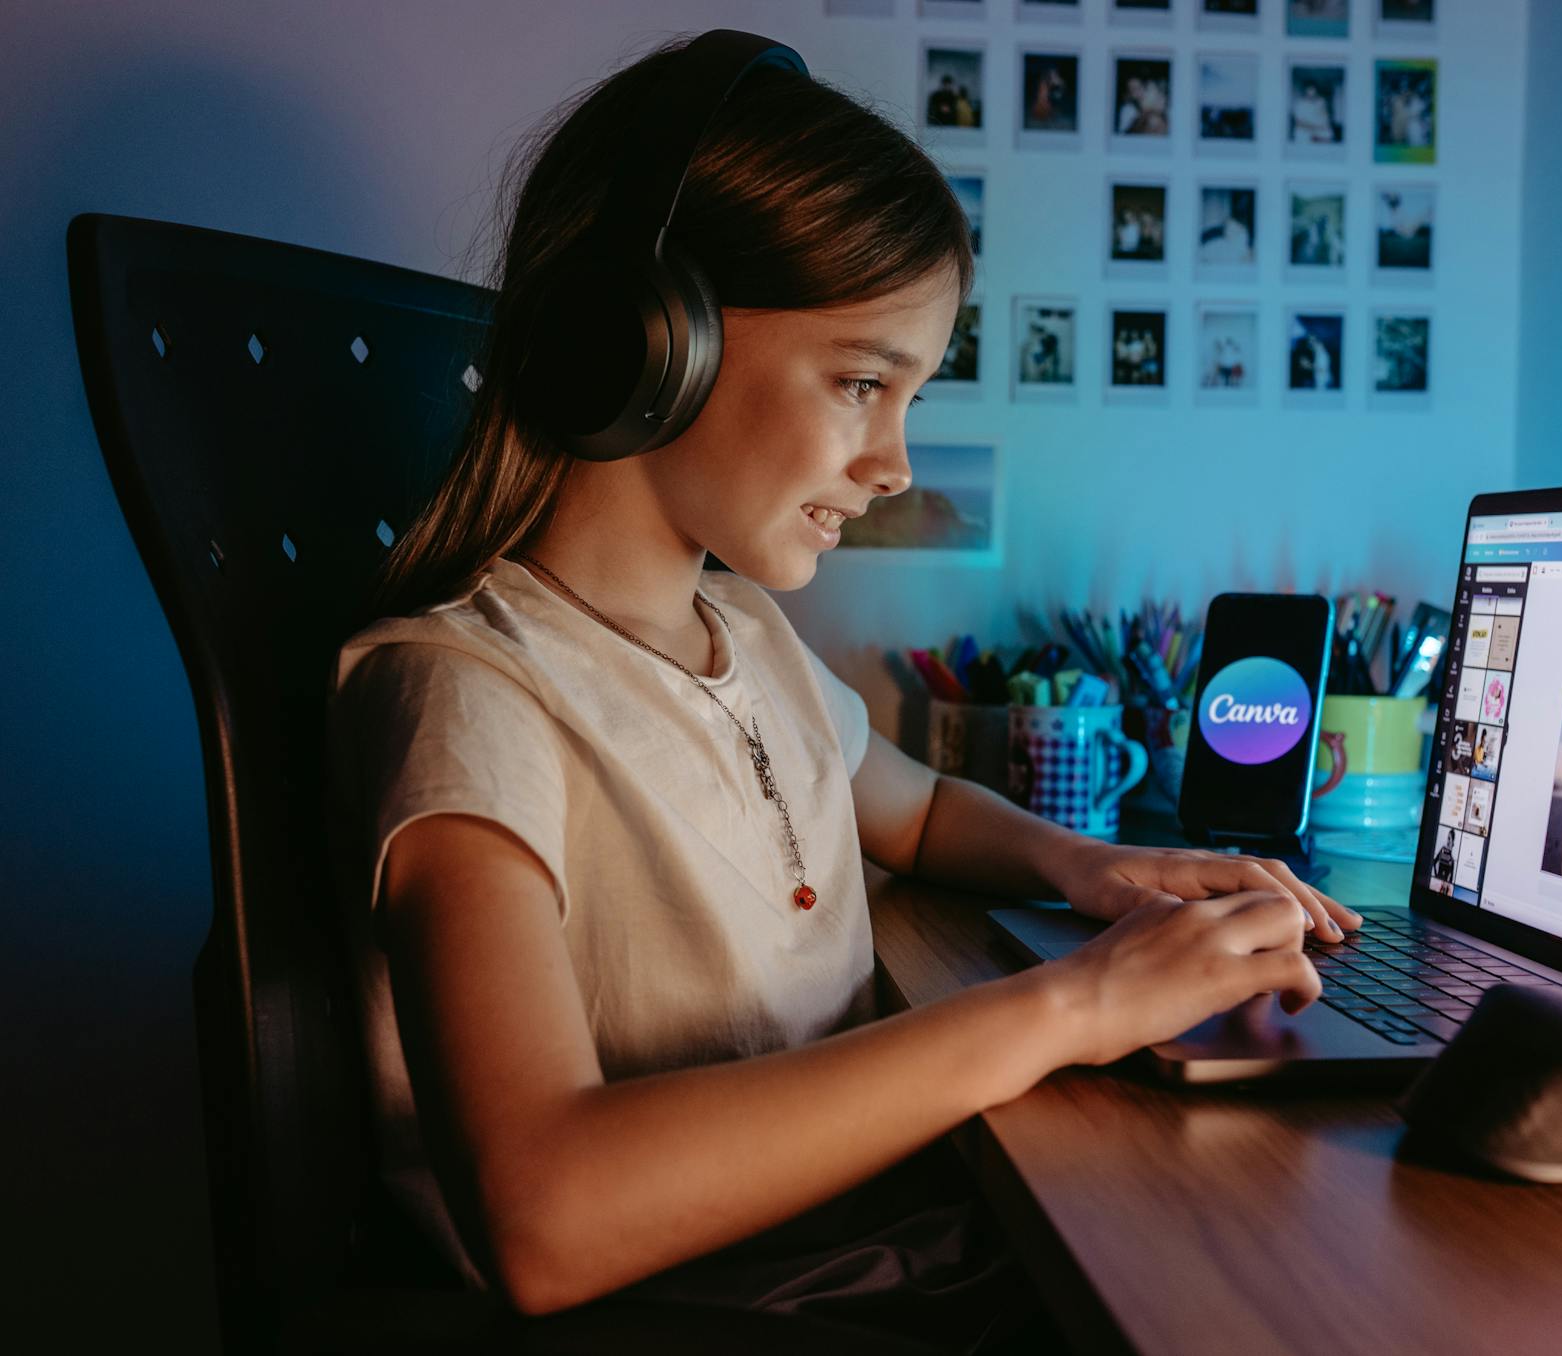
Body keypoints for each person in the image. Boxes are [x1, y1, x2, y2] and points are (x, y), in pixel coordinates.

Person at [328, 29, 1360, 1354]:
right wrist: (1075, 1002)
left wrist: (1097, 868)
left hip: (869, 1253)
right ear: (652, 346)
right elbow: (548, 1212)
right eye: (863, 382)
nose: (891, 462)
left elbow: (914, 811)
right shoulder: (469, 693)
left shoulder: (741, 632)